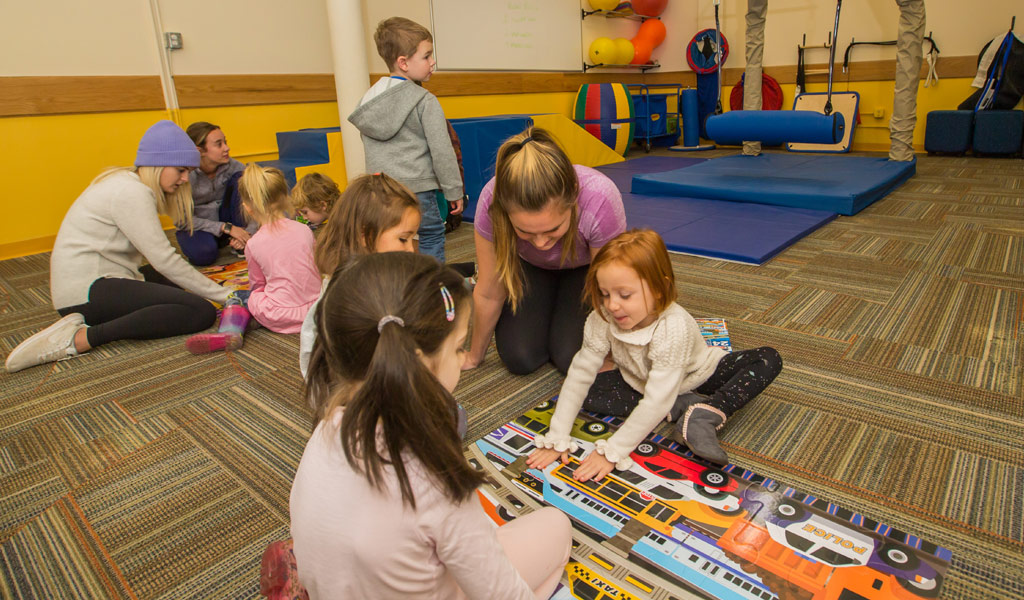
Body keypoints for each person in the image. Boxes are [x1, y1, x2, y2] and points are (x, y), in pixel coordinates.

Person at [292, 252, 572, 599]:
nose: (461, 357)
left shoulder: (324, 431)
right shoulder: (436, 475)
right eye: (457, 348)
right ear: (419, 364)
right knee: (556, 527)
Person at [526, 230, 783, 473]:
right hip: (643, 382)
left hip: (698, 375)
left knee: (767, 359)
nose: (612, 305)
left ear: (659, 289)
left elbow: (656, 399)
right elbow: (580, 374)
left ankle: (707, 411)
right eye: (604, 294)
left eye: (625, 295)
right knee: (584, 390)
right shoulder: (601, 317)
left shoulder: (673, 326)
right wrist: (557, 437)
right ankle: (679, 404)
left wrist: (612, 451)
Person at [5, 120, 230, 373]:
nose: (186, 178)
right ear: (157, 165)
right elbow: (164, 258)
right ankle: (80, 338)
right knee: (199, 311)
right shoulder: (131, 193)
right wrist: (227, 296)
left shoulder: (127, 182)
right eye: (180, 170)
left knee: (177, 283)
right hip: (86, 293)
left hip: (99, 281)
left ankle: (96, 322)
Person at [463, 127, 627, 376]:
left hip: (586, 273)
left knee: (572, 357)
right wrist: (474, 356)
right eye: (525, 231)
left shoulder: (600, 198)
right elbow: (488, 292)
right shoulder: (491, 201)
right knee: (520, 358)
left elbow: (613, 292)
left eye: (553, 229)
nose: (540, 243)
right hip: (530, 267)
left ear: (573, 197)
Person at [348, 16, 464, 264]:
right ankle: (430, 289)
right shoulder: (424, 100)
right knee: (431, 236)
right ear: (403, 63)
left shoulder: (369, 100)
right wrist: (454, 190)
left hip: (382, 190)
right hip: (418, 189)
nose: (433, 62)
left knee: (390, 241)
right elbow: (442, 151)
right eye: (426, 56)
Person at [298, 172, 420, 377]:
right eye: (403, 239)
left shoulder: (387, 271)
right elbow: (312, 344)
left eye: (412, 239)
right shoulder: (342, 290)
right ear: (367, 236)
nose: (411, 250)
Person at [188, 164, 320, 354]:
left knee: (239, 297)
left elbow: (257, 285)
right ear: (285, 199)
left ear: (248, 208)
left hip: (280, 314)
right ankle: (252, 320)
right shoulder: (304, 230)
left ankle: (231, 331)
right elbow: (316, 265)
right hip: (315, 310)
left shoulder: (254, 243)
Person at [175, 122, 252, 265]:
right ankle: (219, 241)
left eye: (225, 142)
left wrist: (248, 232)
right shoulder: (184, 175)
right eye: (219, 144)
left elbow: (256, 200)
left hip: (232, 221)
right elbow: (181, 220)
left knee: (242, 177)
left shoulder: (234, 166)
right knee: (203, 255)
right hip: (200, 226)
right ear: (200, 151)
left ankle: (238, 240)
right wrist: (224, 228)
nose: (227, 148)